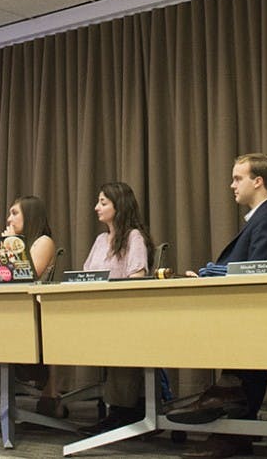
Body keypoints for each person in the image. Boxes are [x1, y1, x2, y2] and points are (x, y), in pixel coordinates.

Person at [170, 154, 267, 459]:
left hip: (253, 317)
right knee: (238, 381)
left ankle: (232, 429)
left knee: (244, 380)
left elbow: (258, 270)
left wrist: (213, 273)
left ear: (258, 181)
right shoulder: (260, 218)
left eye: (238, 178)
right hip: (243, 314)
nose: (232, 185)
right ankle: (227, 419)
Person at [0, 196, 60, 411]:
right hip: (8, 307)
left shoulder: (43, 241)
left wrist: (11, 247)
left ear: (30, 215)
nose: (9, 219)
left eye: (15, 213)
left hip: (30, 313)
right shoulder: (18, 241)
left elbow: (26, 275)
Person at [80, 181, 154, 434]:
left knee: (120, 339)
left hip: (124, 314)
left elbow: (137, 278)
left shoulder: (134, 237)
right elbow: (85, 276)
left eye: (103, 202)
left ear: (119, 206)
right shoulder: (101, 239)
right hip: (97, 312)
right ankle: (119, 409)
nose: (96, 207)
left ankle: (122, 411)